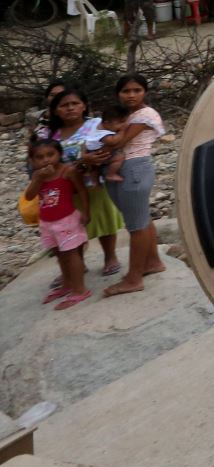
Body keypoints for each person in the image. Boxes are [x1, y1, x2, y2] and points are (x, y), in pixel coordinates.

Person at [38, 88, 123, 278]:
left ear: (84, 105)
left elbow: (109, 147)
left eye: (75, 103)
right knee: (70, 226)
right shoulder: (49, 133)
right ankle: (77, 264)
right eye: (64, 105)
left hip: (94, 182)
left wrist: (93, 161)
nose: (70, 108)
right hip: (65, 187)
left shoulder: (97, 125)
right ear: (55, 110)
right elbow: (41, 157)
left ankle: (110, 257)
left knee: (103, 219)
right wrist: (83, 161)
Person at [100, 73, 165, 296]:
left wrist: (99, 134)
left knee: (136, 225)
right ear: (118, 94)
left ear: (145, 92)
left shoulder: (144, 115)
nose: (131, 95)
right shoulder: (126, 115)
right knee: (141, 218)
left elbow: (119, 141)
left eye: (136, 90)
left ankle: (133, 278)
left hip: (135, 167)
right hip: (126, 167)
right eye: (126, 91)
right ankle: (152, 262)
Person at [26, 138, 90, 310]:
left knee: (71, 254)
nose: (46, 160)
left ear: (59, 154)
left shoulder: (67, 171)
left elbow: (82, 191)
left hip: (66, 220)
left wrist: (86, 211)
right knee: (59, 254)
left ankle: (80, 290)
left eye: (50, 154)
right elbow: (29, 196)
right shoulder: (38, 175)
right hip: (47, 222)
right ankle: (67, 284)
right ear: (33, 161)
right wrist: (38, 179)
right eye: (40, 157)